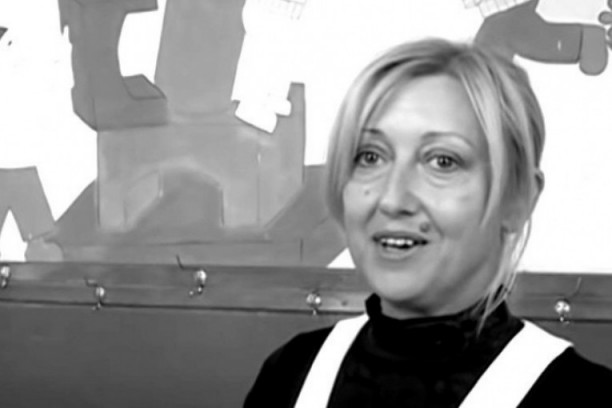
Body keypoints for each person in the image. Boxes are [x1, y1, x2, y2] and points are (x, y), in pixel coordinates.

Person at [243, 38, 612, 407]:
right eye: (370, 156)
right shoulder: (290, 373)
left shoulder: (581, 395)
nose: (393, 199)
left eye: (442, 161)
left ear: (517, 198)